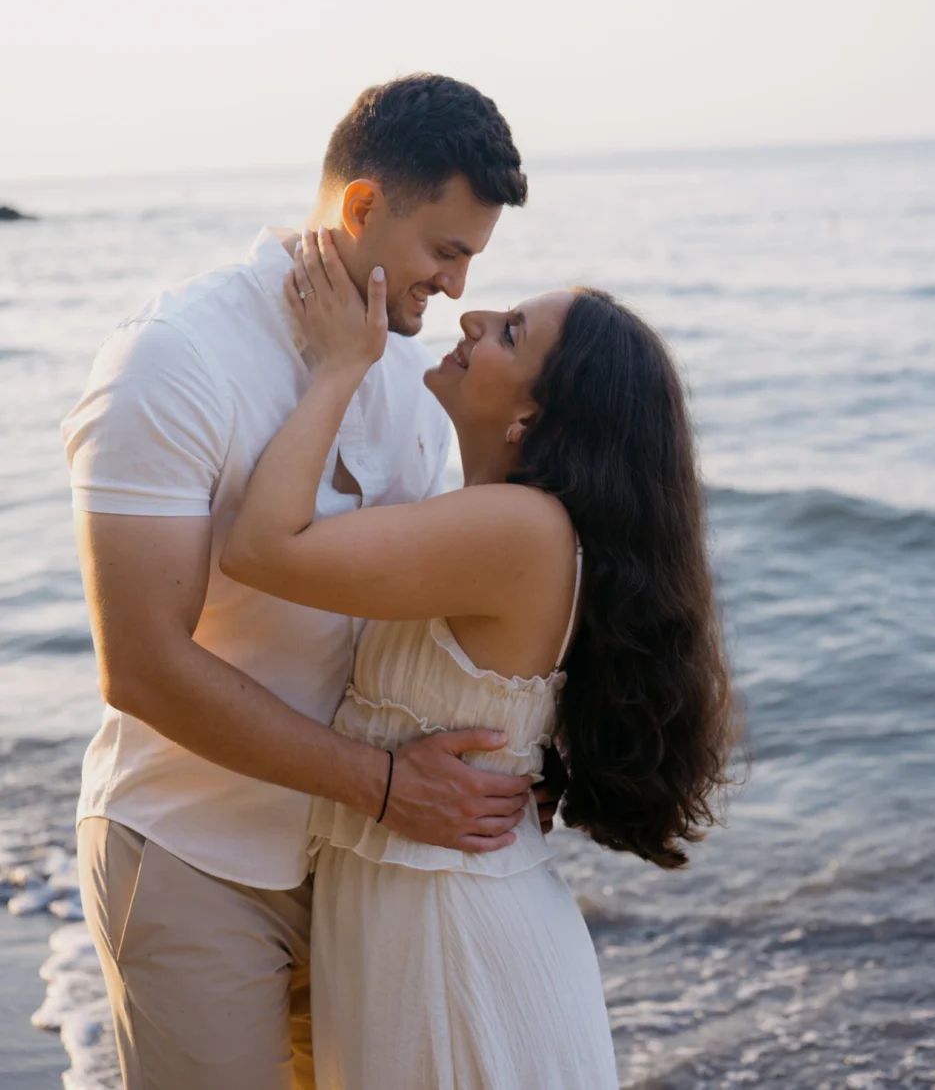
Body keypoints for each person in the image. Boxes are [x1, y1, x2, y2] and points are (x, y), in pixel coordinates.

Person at [62, 74, 542, 1090]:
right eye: (445, 251)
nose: (456, 289)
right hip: (194, 853)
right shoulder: (175, 357)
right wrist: (380, 785)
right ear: (362, 206)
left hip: (354, 869)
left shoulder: (413, 383)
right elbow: (140, 665)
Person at [221, 230, 737, 1089]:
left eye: (509, 333)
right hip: (435, 911)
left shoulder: (518, 529)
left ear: (532, 417)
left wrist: (342, 364)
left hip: (451, 938)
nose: (473, 316)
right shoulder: (497, 522)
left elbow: (261, 548)